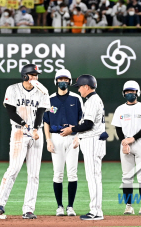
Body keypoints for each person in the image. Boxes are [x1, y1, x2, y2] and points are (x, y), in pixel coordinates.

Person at [0, 64, 50, 220]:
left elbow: (40, 113)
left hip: (35, 132)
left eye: (36, 75)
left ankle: (28, 209)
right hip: (19, 131)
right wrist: (27, 126)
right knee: (14, 168)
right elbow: (10, 112)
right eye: (32, 74)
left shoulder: (42, 91)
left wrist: (36, 129)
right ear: (25, 76)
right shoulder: (13, 89)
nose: (35, 77)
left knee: (34, 174)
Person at [59, 74, 108, 221]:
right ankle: (96, 210)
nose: (79, 90)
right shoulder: (93, 100)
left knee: (93, 178)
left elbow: (88, 124)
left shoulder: (92, 100)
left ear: (86, 86)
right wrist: (76, 133)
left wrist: (72, 129)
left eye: (80, 86)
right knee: (94, 177)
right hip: (92, 140)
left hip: (93, 141)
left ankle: (96, 212)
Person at [43, 68, 83, 217]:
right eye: (60, 79)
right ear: (56, 81)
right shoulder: (49, 99)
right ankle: (59, 206)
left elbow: (82, 119)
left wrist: (79, 135)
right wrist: (48, 140)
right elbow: (45, 122)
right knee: (58, 174)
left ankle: (70, 206)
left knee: (72, 173)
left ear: (70, 81)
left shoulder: (76, 98)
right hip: (56, 138)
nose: (63, 82)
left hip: (72, 137)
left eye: (66, 79)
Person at [112, 80, 141, 216]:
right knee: (127, 177)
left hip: (140, 143)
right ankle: (128, 206)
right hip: (126, 144)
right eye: (128, 91)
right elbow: (118, 128)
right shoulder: (120, 109)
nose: (130, 93)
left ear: (138, 92)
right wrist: (124, 143)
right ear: (124, 93)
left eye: (133, 91)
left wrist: (133, 139)